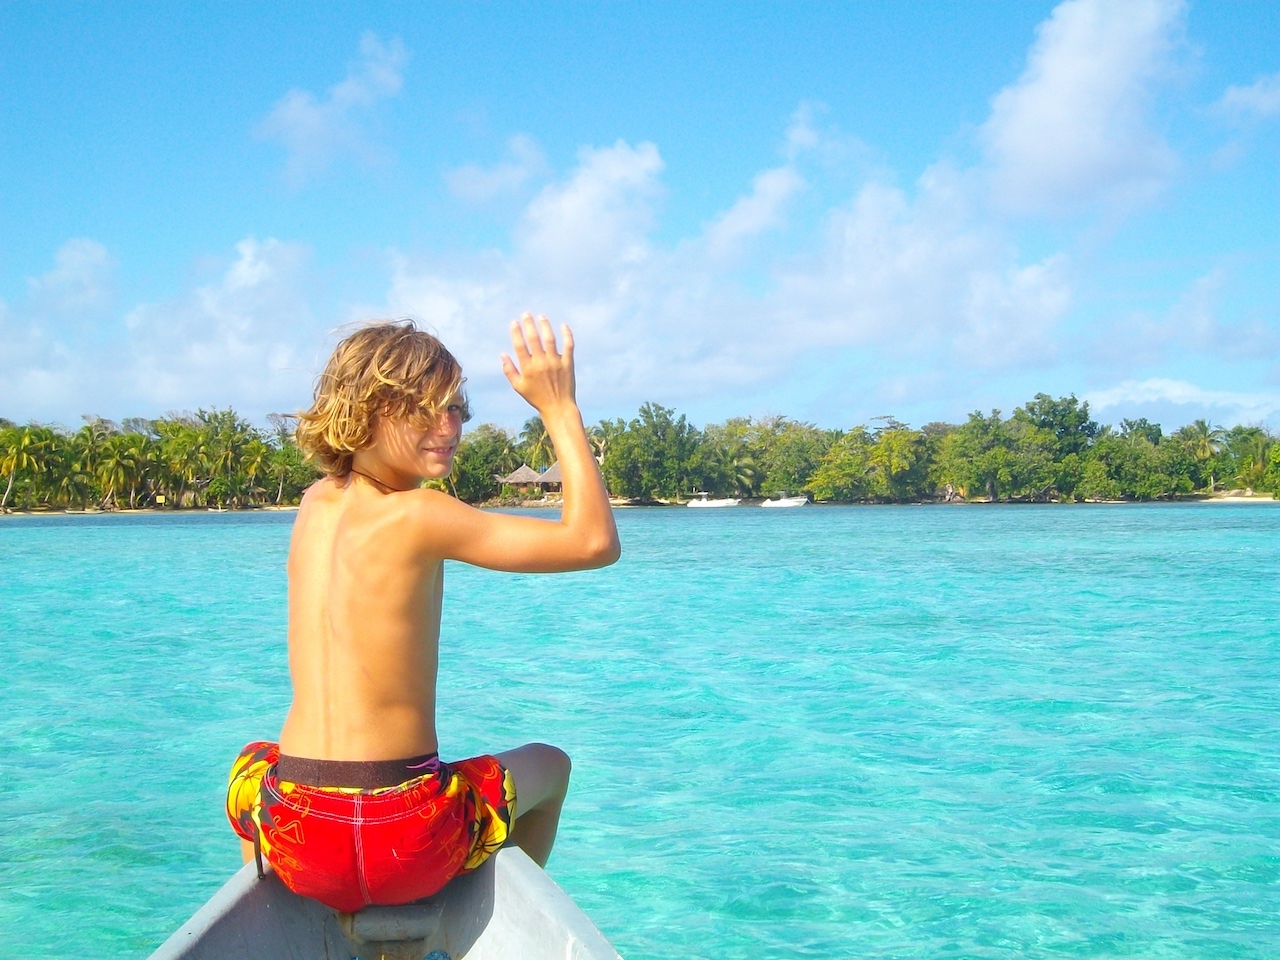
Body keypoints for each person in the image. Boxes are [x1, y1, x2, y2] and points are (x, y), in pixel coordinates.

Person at [226, 313, 620, 914]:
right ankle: (479, 932)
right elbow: (594, 542)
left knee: (253, 764)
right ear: (365, 411)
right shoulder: (420, 514)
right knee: (553, 766)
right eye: (424, 409)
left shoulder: (314, 502)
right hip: (407, 836)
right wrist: (559, 408)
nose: (451, 425)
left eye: (457, 407)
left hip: (297, 836)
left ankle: (291, 922)